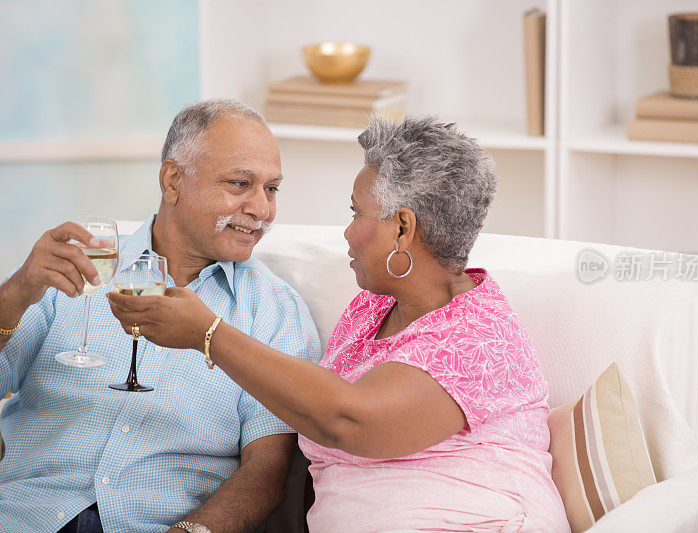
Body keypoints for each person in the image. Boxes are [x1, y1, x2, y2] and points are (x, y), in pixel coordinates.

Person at [107, 116, 570, 532]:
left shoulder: (479, 337)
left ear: (402, 229)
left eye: (356, 213)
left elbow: (349, 419)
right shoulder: (370, 310)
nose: (347, 232)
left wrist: (209, 334)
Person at [0, 99, 321, 533]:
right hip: (22, 515)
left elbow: (266, 473)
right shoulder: (81, 262)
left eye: (271, 189)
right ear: (173, 180)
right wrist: (18, 289)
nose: (262, 209)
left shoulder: (276, 312)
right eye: (240, 184)